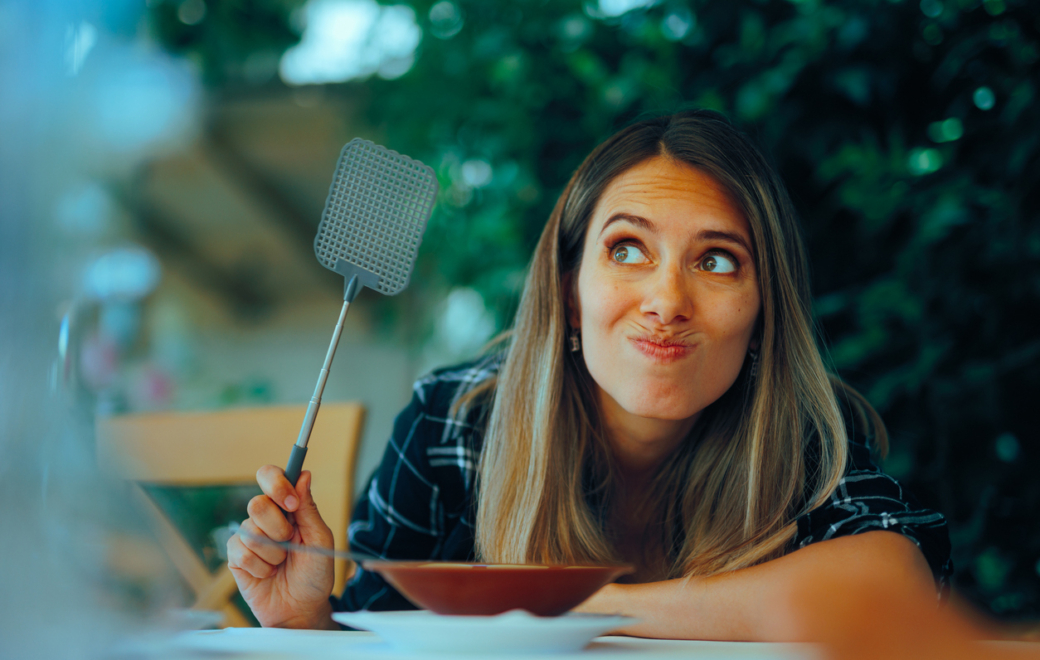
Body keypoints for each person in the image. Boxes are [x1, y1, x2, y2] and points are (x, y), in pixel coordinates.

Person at [226, 110, 952, 640]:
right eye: (628, 250)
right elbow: (372, 638)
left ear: (764, 312)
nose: (667, 301)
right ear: (570, 292)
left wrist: (568, 606)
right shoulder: (455, 420)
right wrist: (306, 623)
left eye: (718, 260)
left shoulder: (803, 436)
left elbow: (898, 585)